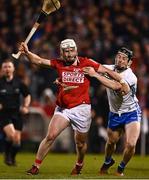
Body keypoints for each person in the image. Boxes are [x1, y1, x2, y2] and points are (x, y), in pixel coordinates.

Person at [19, 39, 126, 175]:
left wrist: (121, 80)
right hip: (63, 108)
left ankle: (79, 163)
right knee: (51, 135)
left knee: (80, 144)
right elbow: (39, 61)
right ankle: (36, 166)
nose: (69, 54)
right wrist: (27, 53)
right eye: (66, 51)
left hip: (82, 109)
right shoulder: (59, 63)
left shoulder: (87, 62)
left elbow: (106, 71)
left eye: (71, 51)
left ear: (76, 50)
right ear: (62, 53)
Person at [83, 47, 142, 176]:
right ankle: (108, 161)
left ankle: (121, 168)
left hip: (131, 112)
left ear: (129, 63)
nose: (120, 60)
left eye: (124, 58)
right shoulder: (108, 68)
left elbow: (119, 87)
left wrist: (96, 74)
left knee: (131, 144)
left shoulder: (131, 77)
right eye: (119, 57)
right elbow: (89, 63)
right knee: (111, 142)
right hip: (115, 113)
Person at [0, 59, 31, 166]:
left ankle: (11, 159)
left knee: (17, 140)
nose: (7, 69)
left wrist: (26, 106)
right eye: (5, 67)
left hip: (17, 114)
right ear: (2, 69)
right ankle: (8, 157)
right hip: (4, 114)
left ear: (13, 69)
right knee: (12, 135)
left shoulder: (19, 83)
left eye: (9, 67)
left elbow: (27, 95)